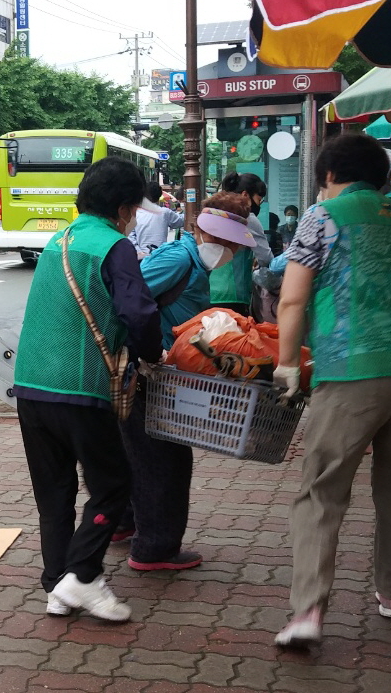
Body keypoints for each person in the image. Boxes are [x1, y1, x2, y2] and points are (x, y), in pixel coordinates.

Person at [272, 132, 391, 647]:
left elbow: (292, 301)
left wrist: (285, 365)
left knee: (321, 491)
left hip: (353, 369)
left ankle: (307, 612)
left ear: (328, 176)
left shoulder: (323, 216)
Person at [12, 156, 162, 623]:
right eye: (134, 209)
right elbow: (139, 314)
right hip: (80, 388)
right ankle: (82, 576)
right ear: (123, 208)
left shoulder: (58, 239)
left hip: (31, 387)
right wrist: (151, 355)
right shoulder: (113, 246)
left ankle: (57, 587)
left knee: (53, 494)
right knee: (113, 485)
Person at [114, 193, 256, 571]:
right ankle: (154, 549)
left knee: (142, 454)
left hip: (158, 371)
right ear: (205, 233)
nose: (230, 251)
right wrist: (147, 350)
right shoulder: (179, 258)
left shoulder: (194, 262)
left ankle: (124, 524)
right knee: (164, 459)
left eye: (234, 245)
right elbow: (129, 301)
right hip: (148, 371)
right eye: (226, 242)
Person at [209, 172, 273, 315]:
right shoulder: (247, 218)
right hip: (234, 294)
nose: (259, 205)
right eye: (258, 199)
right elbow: (266, 258)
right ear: (245, 195)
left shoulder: (216, 213)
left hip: (209, 292)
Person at [129, 181, 184, 256]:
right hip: (160, 256)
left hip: (142, 258)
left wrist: (139, 252)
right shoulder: (165, 213)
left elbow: (131, 237)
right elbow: (180, 221)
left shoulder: (135, 214)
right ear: (160, 195)